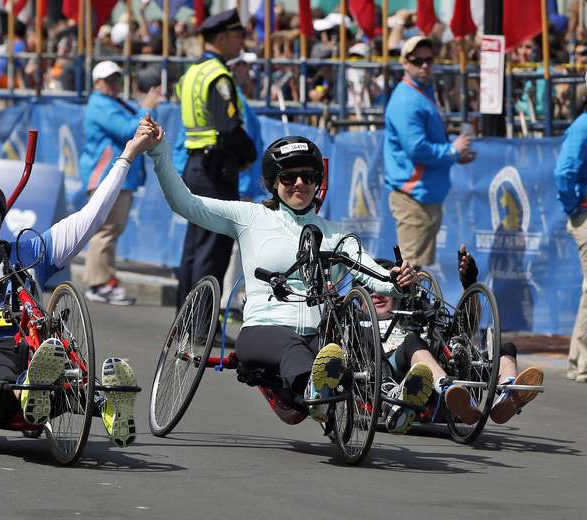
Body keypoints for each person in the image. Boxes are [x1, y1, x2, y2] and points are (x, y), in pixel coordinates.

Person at [140, 116, 419, 426]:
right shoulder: (250, 216)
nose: (299, 184)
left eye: (308, 177)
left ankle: (393, 400)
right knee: (293, 348)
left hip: (317, 335)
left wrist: (395, 281)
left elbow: (370, 272)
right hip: (265, 330)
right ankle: (317, 389)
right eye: (289, 178)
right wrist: (160, 152)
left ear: (317, 182)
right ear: (274, 182)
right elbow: (185, 203)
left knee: (355, 343)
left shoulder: (335, 234)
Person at [0, 127, 158, 448]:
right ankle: (31, 389)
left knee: (62, 368)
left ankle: (103, 402)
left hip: (30, 352)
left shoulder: (27, 254)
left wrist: (127, 155)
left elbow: (91, 218)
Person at [372, 246, 544, 433]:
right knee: (412, 341)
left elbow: (464, 325)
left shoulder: (416, 313)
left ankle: (508, 390)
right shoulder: (356, 322)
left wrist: (469, 282)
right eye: (371, 288)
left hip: (435, 365)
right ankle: (447, 389)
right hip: (389, 372)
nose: (377, 294)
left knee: (505, 349)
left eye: (385, 288)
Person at [174, 8, 258, 309]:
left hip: (195, 165)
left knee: (194, 248)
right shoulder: (219, 75)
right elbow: (229, 129)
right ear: (220, 38)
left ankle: (184, 319)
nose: (241, 43)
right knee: (213, 251)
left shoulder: (193, 71)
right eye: (238, 36)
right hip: (216, 169)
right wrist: (250, 155)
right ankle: (200, 325)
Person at [383, 35, 476, 269]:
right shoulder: (407, 99)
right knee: (410, 271)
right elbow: (417, 149)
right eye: (418, 60)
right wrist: (452, 151)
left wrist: (454, 155)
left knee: (415, 270)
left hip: (424, 195)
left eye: (429, 60)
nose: (425, 65)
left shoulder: (423, 92)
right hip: (413, 195)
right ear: (405, 62)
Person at [79, 60, 163, 305]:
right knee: (106, 230)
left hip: (115, 175)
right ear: (97, 83)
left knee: (110, 229)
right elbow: (129, 130)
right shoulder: (100, 104)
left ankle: (103, 281)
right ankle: (99, 283)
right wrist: (145, 108)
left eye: (116, 79)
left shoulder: (109, 103)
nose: (114, 84)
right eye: (109, 80)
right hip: (107, 175)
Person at [554, 66, 587, 384]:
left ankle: (581, 361)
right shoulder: (584, 127)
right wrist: (576, 209)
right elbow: (563, 174)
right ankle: (583, 364)